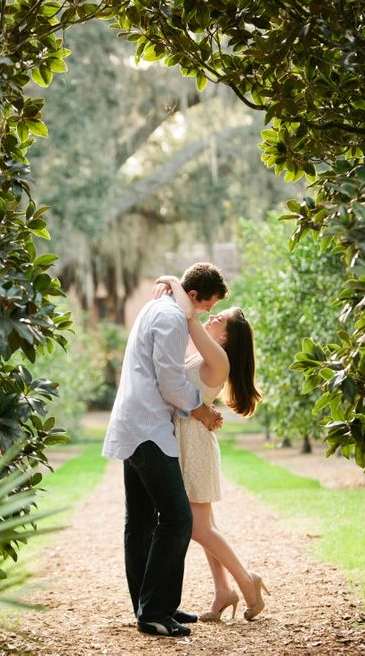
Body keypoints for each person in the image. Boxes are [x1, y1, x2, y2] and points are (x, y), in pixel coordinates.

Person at [102, 263, 228, 638]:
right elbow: (170, 380)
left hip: (135, 424)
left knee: (141, 521)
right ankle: (155, 611)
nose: (204, 315)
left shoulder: (156, 307)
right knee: (177, 518)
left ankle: (155, 605)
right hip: (148, 429)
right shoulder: (172, 316)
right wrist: (202, 410)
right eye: (206, 307)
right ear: (193, 297)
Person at [153, 275, 268, 622]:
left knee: (197, 528)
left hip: (195, 445)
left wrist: (174, 282)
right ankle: (223, 591)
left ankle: (247, 582)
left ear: (227, 337)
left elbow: (188, 318)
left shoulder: (218, 358)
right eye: (215, 313)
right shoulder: (207, 352)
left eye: (221, 319)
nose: (212, 317)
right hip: (189, 438)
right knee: (206, 525)